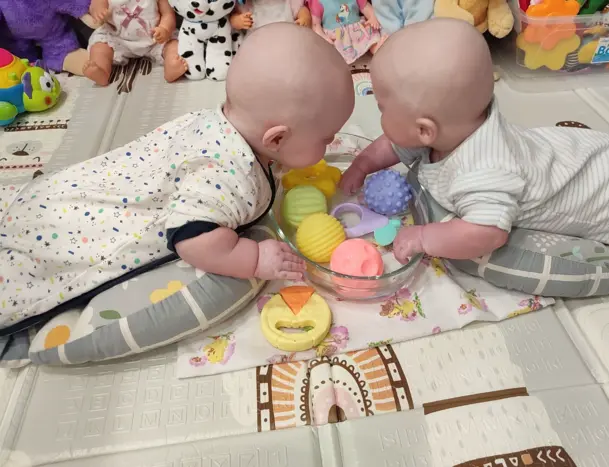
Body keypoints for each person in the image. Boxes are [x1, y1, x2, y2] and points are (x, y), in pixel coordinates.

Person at [0, 23, 355, 331]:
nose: (331, 143)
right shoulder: (232, 177)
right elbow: (192, 239)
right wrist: (255, 259)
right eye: (326, 138)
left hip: (52, 193)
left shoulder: (216, 121)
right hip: (65, 233)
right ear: (275, 139)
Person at [340, 18, 609, 265]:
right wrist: (363, 163)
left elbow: (486, 233)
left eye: (382, 107)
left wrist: (423, 237)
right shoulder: (457, 124)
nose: (379, 115)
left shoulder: (483, 173)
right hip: (602, 154)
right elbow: (394, 143)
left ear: (425, 131)